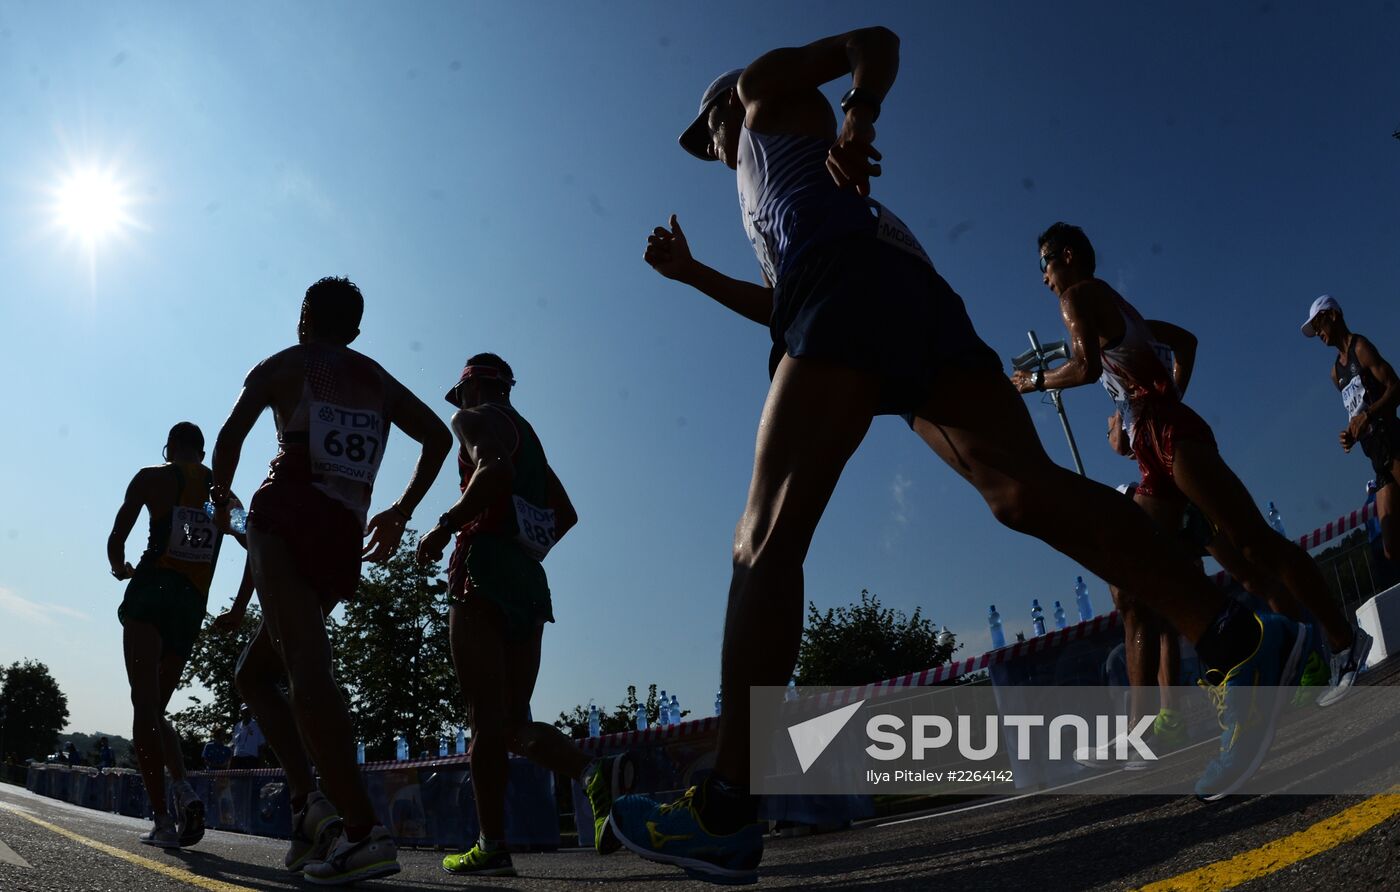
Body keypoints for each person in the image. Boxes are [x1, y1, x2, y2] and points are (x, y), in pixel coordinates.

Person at [615, 27, 1306, 883]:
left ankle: (724, 804)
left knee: (761, 542)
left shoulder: (761, 90)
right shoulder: (772, 189)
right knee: (1022, 492)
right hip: (898, 296)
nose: (709, 149)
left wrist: (859, 116)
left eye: (704, 133)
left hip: (846, 288)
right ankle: (1235, 638)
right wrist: (691, 277)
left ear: (724, 104)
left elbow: (874, 39)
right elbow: (779, 301)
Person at [1016, 222, 1369, 709]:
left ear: (1068, 256)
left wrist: (1035, 381)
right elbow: (1186, 343)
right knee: (1132, 576)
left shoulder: (1076, 297)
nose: (1043, 278)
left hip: (1172, 438)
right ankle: (1217, 667)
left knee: (1254, 544)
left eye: (1044, 264)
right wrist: (1157, 401)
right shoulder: (1120, 308)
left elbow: (1086, 367)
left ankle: (1342, 641)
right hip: (1153, 451)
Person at [211, 275, 452, 885]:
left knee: (307, 668)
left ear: (306, 316)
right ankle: (307, 807)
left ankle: (362, 829)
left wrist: (221, 497)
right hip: (341, 536)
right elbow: (438, 436)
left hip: (285, 512)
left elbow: (232, 434)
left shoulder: (286, 363)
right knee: (254, 674)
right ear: (357, 328)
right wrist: (399, 510)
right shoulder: (377, 378)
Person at [416, 355, 620, 876]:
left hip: (482, 567)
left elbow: (494, 469)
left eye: (458, 395)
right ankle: (592, 772)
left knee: (484, 719)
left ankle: (492, 845)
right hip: (528, 582)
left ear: (472, 388)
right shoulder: (528, 434)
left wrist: (446, 524)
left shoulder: (473, 417)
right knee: (511, 722)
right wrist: (526, 542)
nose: (456, 407)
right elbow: (566, 513)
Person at [108, 421, 236, 848]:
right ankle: (182, 788)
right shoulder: (224, 496)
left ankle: (162, 817)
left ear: (172, 447)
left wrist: (119, 568)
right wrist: (238, 607)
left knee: (144, 706)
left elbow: (117, 538)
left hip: (152, 592)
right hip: (190, 607)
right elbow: (256, 542)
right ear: (201, 452)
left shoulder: (153, 478)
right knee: (157, 707)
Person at [1305, 294, 1400, 568]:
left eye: (1319, 323)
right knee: (1391, 546)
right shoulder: (1336, 373)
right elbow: (1357, 413)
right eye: (1314, 330)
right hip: (1376, 457)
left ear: (1334, 315)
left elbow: (1396, 387)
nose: (1319, 333)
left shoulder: (1361, 348)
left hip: (1393, 443)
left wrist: (1369, 416)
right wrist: (1350, 434)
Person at [230, 705, 265, 769]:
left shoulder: (257, 725)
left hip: (251, 759)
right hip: (237, 759)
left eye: (248, 711)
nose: (246, 713)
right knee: (236, 779)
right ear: (241, 712)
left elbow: (261, 746)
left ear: (251, 712)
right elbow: (234, 745)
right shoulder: (237, 726)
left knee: (249, 779)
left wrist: (261, 765)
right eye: (244, 711)